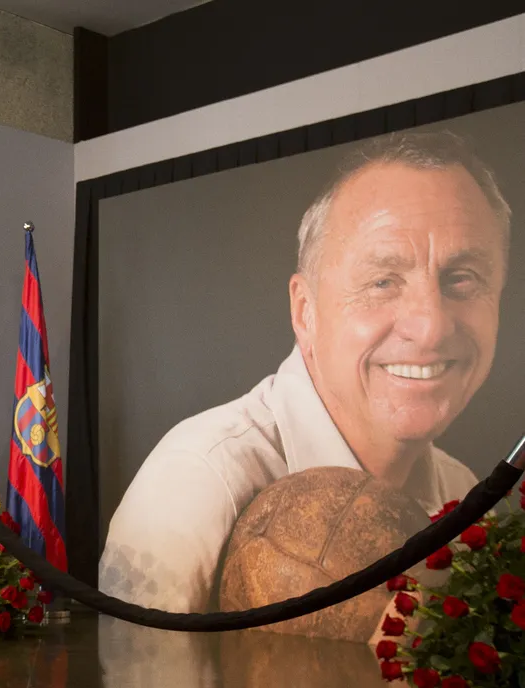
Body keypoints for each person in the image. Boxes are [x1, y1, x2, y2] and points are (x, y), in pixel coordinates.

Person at [98, 130, 509, 614]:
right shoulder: (199, 484)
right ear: (305, 311)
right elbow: (130, 687)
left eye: (462, 278)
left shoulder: (465, 493)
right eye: (382, 281)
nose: (432, 327)